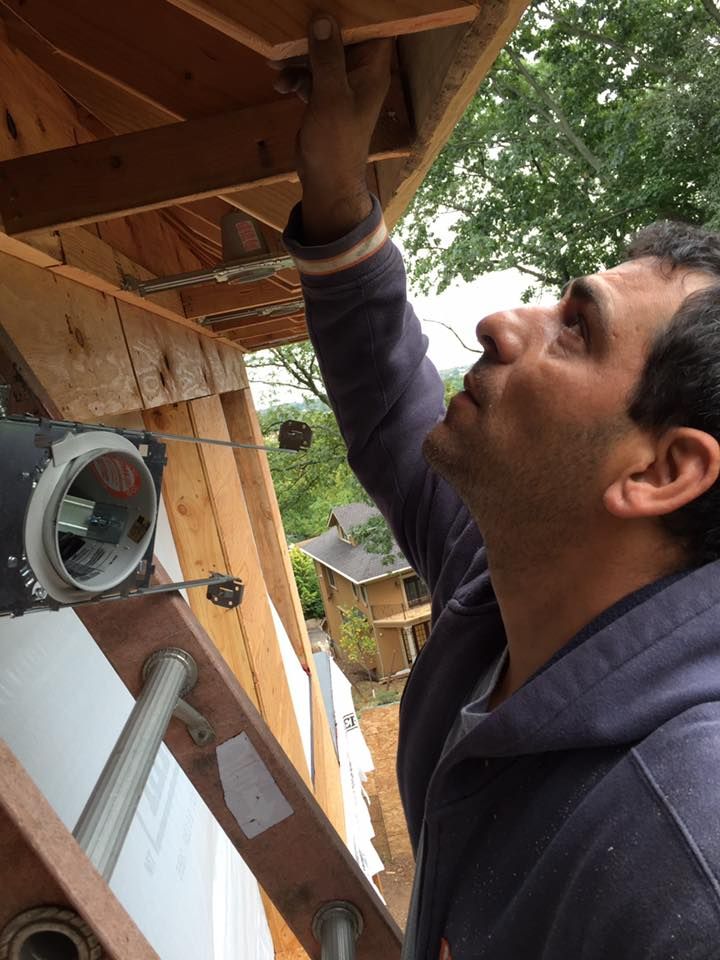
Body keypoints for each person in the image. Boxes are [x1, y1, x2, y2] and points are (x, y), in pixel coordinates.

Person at [275, 16, 720, 958]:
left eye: (576, 330)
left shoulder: (686, 856)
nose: (499, 322)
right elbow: (395, 417)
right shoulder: (506, 586)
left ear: (662, 470)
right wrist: (336, 193)